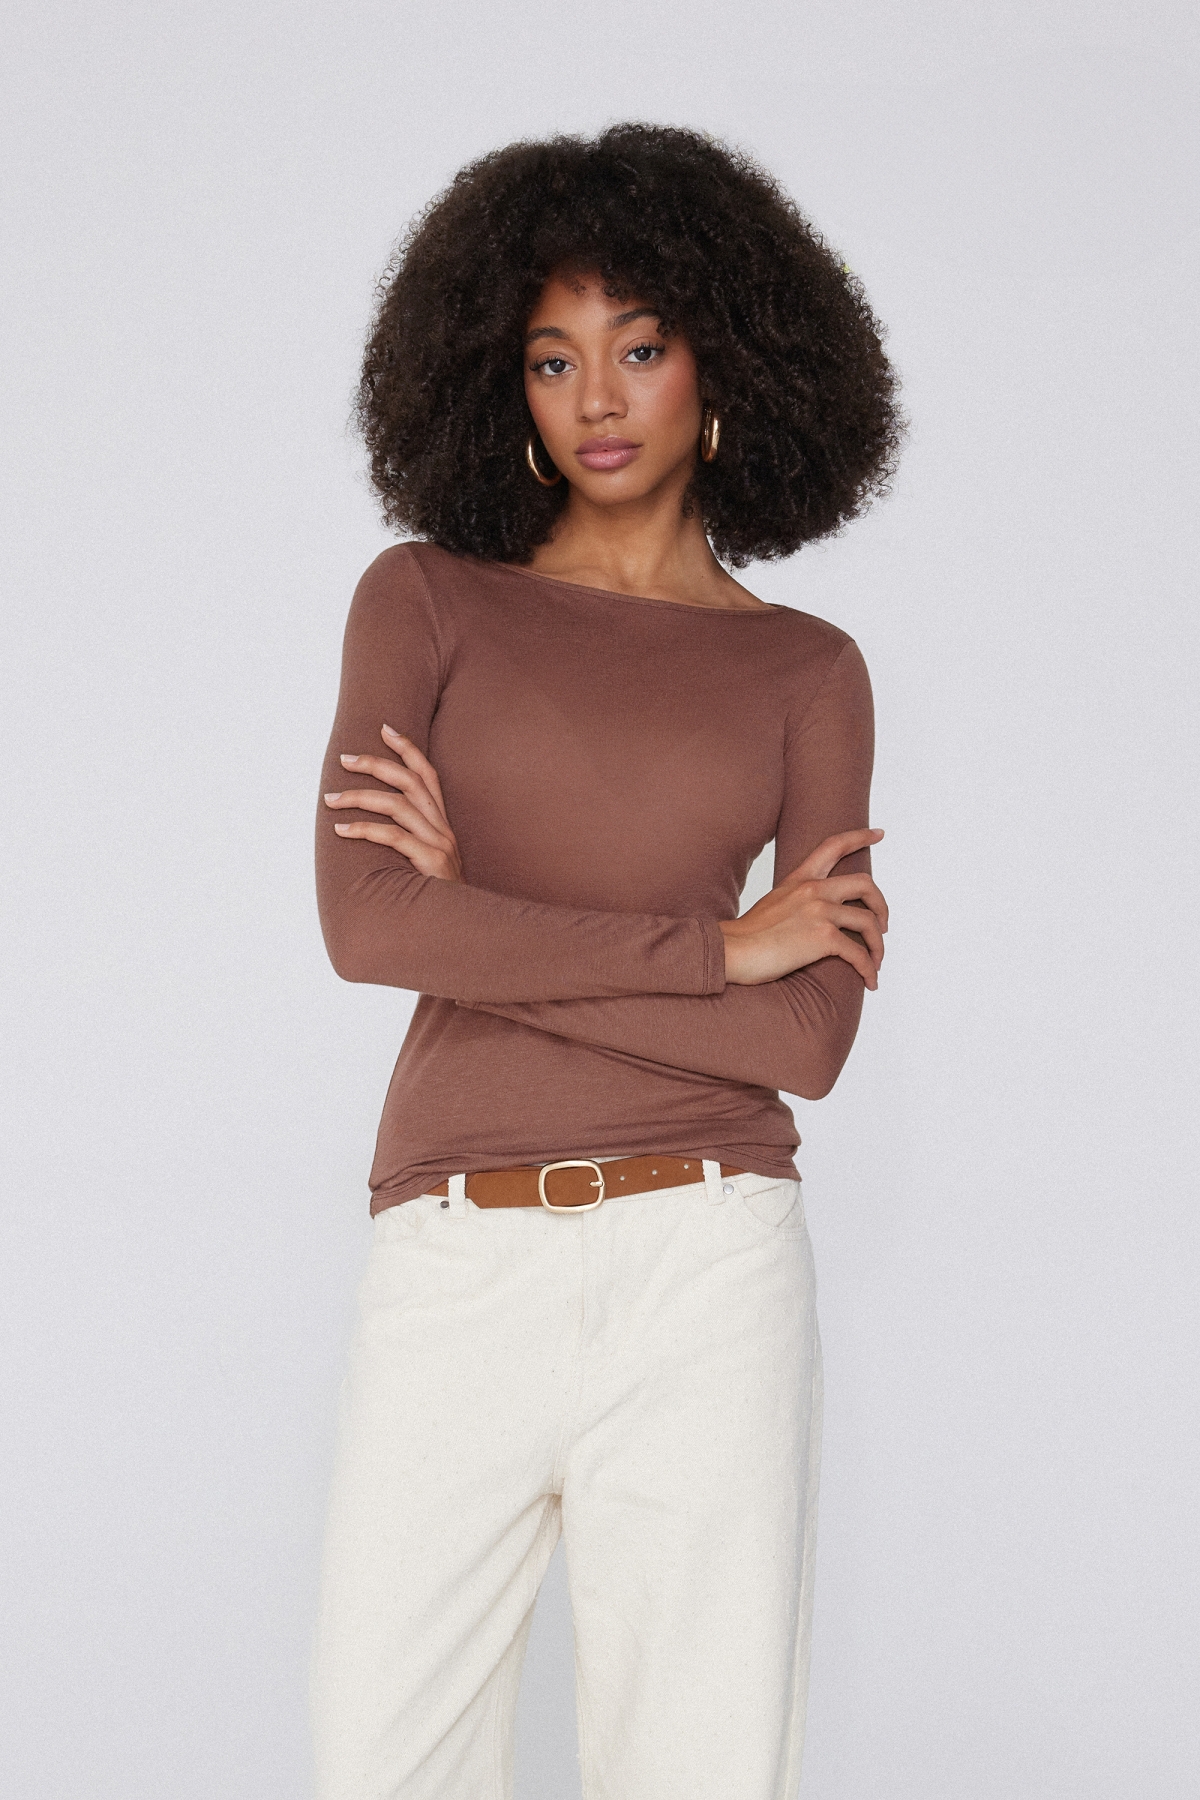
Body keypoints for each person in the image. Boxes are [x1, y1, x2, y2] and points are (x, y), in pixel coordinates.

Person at [310, 123, 902, 1800]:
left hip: (709, 1266)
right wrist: (720, 952)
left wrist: (480, 925)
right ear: (501, 381)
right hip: (455, 1254)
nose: (598, 397)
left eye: (640, 348)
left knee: (699, 1769)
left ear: (725, 363)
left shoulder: (808, 673)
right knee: (380, 1762)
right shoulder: (424, 603)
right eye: (552, 357)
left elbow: (808, 1043)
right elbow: (368, 925)